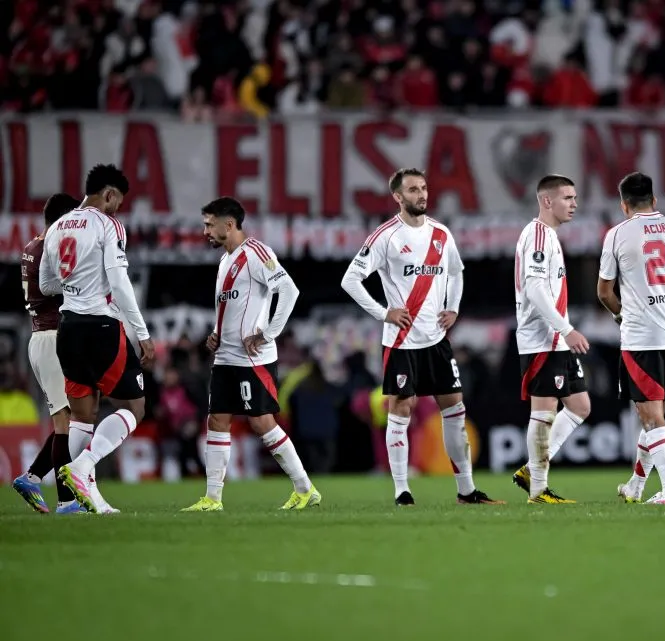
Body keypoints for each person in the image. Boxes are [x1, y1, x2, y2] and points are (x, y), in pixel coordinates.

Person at [341, 168, 502, 506]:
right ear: (398, 197)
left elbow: (457, 273)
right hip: (401, 341)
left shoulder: (442, 234)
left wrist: (453, 308)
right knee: (401, 409)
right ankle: (402, 491)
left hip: (436, 338)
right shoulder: (385, 236)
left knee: (455, 409)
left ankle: (466, 491)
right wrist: (384, 312)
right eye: (413, 190)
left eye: (424, 188)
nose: (422, 194)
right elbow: (350, 280)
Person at [182, 197, 319, 511]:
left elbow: (289, 290)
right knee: (217, 420)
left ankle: (305, 488)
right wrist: (217, 334)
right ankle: (212, 499)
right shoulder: (225, 260)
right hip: (226, 357)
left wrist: (268, 333)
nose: (204, 231)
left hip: (252, 358)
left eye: (208, 224)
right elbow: (230, 306)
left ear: (228, 224)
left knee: (261, 423)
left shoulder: (256, 253)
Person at [39, 165, 155, 513]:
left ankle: (75, 499)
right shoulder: (108, 225)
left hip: (68, 327)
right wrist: (143, 334)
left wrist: (76, 283)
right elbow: (119, 284)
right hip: (101, 329)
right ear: (108, 194)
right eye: (117, 200)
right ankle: (84, 468)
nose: (117, 208)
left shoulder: (56, 227)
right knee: (135, 407)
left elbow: (47, 286)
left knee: (82, 416)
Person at [597, 172, 665, 505]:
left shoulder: (617, 234)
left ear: (623, 204)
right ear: (654, 200)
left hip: (641, 335)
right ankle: (636, 486)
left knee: (650, 415)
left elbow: (603, 292)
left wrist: (620, 313)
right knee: (654, 415)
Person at [12, 192, 118, 514]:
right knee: (66, 421)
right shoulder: (51, 247)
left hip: (43, 337)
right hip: (51, 337)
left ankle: (33, 478)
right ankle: (67, 501)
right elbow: (61, 284)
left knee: (72, 418)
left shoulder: (33, 246)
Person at [510, 175, 591, 504]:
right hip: (542, 338)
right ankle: (538, 489)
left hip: (554, 339)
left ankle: (532, 469)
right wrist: (565, 329)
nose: (574, 204)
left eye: (574, 197)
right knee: (544, 410)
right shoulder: (539, 235)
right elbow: (535, 289)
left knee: (580, 406)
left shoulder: (549, 236)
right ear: (546, 201)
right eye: (567, 198)